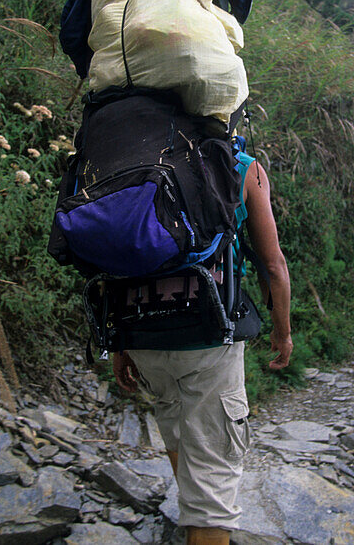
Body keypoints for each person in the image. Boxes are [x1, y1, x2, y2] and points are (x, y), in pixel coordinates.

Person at [112, 144, 292, 545]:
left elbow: (115, 253)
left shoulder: (130, 155)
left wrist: (119, 342)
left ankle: (193, 519)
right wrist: (282, 331)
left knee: (176, 428)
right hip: (207, 335)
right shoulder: (242, 167)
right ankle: (203, 523)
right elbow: (273, 265)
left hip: (140, 330)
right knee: (213, 488)